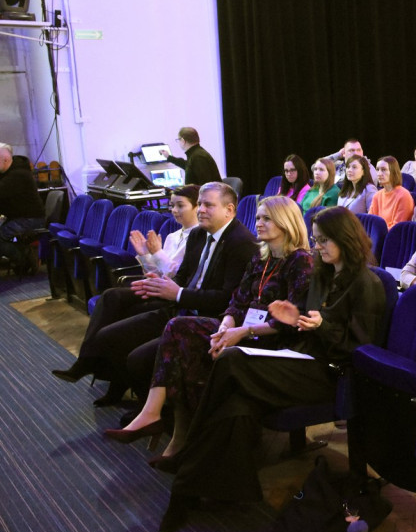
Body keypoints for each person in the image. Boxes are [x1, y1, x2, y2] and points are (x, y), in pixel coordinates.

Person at [156, 206, 387, 532]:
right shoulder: (323, 275)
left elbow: (359, 349)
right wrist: (295, 318)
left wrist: (320, 327)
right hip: (301, 359)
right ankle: (203, 491)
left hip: (331, 374)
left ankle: (186, 458)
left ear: (344, 240)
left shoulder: (367, 283)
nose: (317, 246)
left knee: (231, 360)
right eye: (316, 239)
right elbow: (306, 324)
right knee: (237, 404)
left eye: (324, 240)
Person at [102, 196, 313, 459]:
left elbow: (292, 321)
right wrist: (225, 327)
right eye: (258, 217)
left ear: (286, 222)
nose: (258, 223)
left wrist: (241, 332)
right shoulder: (261, 257)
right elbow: (237, 302)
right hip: (240, 331)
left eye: (266, 218)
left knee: (183, 341)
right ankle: (164, 424)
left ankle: (174, 436)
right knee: (179, 334)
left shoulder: (300, 260)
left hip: (269, 342)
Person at [50, 183, 259, 405]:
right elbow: (184, 277)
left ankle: (153, 410)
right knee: (108, 334)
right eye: (201, 204)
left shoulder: (241, 243)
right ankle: (121, 386)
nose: (201, 210)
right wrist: (162, 283)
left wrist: (177, 293)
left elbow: (226, 299)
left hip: (204, 318)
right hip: (181, 307)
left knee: (136, 358)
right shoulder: (199, 234)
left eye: (209, 205)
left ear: (229, 209)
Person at [130, 184, 200, 277]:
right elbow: (158, 274)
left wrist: (157, 253)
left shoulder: (201, 238)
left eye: (180, 205)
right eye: (172, 205)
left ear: (198, 207)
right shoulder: (172, 237)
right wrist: (145, 255)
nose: (174, 210)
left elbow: (178, 277)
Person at [0, 143, 46, 274]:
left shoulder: (17, 175)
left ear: (5, 160)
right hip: (20, 217)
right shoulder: (9, 172)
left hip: (30, 219)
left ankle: (24, 257)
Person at [369, 155, 414, 229]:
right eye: (377, 169)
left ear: (393, 172)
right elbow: (370, 221)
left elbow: (397, 228)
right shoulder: (377, 195)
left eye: (383, 170)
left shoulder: (404, 195)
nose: (379, 173)